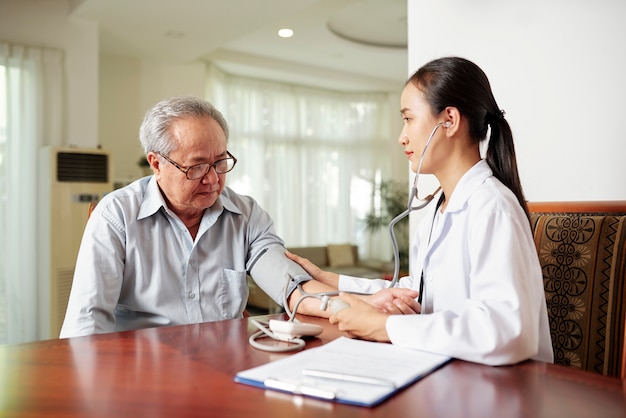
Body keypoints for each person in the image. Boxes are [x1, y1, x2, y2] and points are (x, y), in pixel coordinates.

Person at [287, 56, 554, 366]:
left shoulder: (492, 207)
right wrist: (333, 280)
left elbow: (507, 332)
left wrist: (383, 326)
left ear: (450, 120)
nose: (402, 136)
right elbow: (417, 293)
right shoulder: (438, 209)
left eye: (408, 119)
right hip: (447, 374)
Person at [60, 96, 335, 338]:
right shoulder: (116, 216)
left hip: (225, 368)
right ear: (156, 163)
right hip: (143, 374)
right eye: (198, 166)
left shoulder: (247, 215)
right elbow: (87, 322)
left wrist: (357, 306)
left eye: (219, 162)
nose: (213, 179)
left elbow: (291, 288)